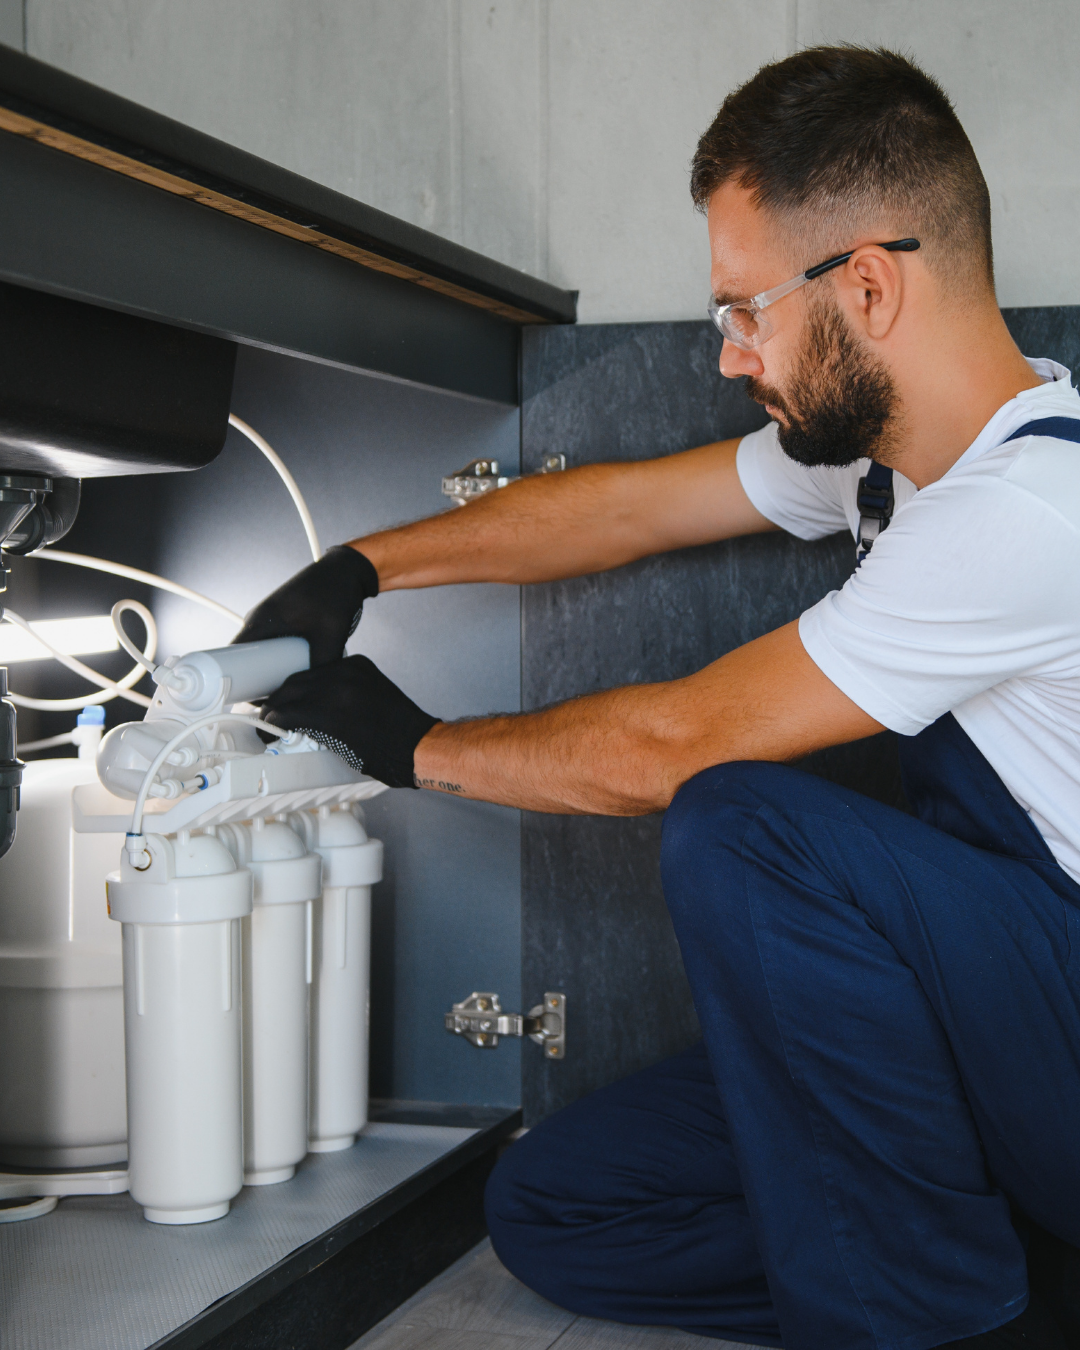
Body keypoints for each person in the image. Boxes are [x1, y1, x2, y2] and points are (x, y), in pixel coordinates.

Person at [236, 46, 1080, 1350]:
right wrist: (354, 570)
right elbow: (626, 509)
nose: (734, 354)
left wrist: (404, 742)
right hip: (972, 1024)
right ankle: (980, 1256)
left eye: (746, 309)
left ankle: (934, 1313)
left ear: (866, 285)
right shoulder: (881, 465)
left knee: (740, 822)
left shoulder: (1027, 509)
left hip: (1062, 1039)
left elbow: (667, 748)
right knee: (558, 1204)